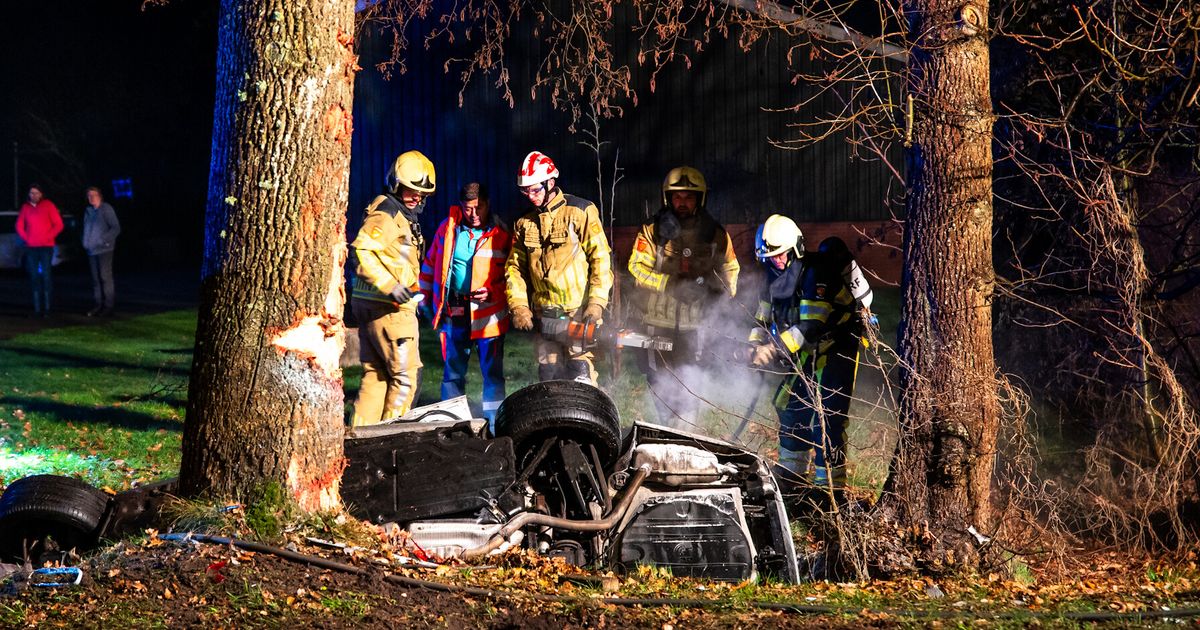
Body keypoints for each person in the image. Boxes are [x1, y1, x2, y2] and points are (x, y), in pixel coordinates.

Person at [747, 214, 873, 507]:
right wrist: (752, 346)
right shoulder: (772, 278)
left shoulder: (815, 274)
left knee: (827, 417)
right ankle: (791, 479)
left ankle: (828, 493)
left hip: (836, 348)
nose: (776, 262)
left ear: (795, 249)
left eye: (780, 255)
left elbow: (811, 326)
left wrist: (774, 349)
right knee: (789, 407)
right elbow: (761, 319)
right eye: (770, 257)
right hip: (804, 351)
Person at [627, 166, 740, 427]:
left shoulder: (715, 234)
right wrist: (669, 284)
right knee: (658, 380)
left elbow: (730, 269)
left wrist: (717, 295)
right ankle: (665, 426)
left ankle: (686, 433)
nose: (682, 203)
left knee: (691, 381)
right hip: (657, 322)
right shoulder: (652, 231)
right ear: (668, 198)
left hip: (696, 325)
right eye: (677, 197)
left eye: (689, 197)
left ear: (700, 198)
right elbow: (636, 268)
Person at [505, 150, 613, 384]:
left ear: (550, 182)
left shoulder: (581, 212)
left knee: (580, 375)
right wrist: (519, 307)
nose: (530, 196)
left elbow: (601, 260)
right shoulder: (524, 223)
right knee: (548, 379)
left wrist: (596, 304)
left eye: (535, 189)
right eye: (525, 191)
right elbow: (514, 269)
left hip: (579, 314)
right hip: (544, 317)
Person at [349, 150, 436, 427]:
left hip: (372, 308)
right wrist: (392, 287)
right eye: (411, 190)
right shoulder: (388, 214)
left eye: (422, 193)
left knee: (376, 375)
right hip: (390, 310)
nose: (417, 198)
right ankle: (393, 440)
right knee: (406, 377)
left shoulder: (390, 210)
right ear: (396, 183)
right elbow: (360, 251)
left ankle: (359, 438)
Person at [419, 183, 512, 429]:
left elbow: (512, 276)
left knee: (492, 375)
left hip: (488, 316)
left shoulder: (502, 234)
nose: (473, 214)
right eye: (468, 208)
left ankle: (495, 425)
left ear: (487, 204)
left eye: (478, 208)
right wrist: (423, 298)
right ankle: (453, 427)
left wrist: (493, 291)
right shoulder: (448, 230)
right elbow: (431, 264)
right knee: (453, 374)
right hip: (455, 313)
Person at [15, 184, 63, 318]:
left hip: (46, 247)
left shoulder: (48, 205)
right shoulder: (25, 208)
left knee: (46, 276)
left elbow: (58, 224)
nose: (34, 195)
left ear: (41, 194)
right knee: (34, 277)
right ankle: (37, 309)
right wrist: (27, 238)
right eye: (31, 193)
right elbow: (19, 225)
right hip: (31, 247)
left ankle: (47, 309)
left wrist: (48, 236)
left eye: (36, 193)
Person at [81, 186, 121, 316]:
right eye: (89, 195)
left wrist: (103, 240)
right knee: (95, 279)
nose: (91, 197)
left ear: (99, 196)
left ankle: (108, 306)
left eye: (94, 195)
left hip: (105, 249)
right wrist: (85, 242)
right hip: (91, 251)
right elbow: (86, 229)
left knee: (105, 277)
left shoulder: (106, 209)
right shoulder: (88, 211)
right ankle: (98, 305)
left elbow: (115, 228)